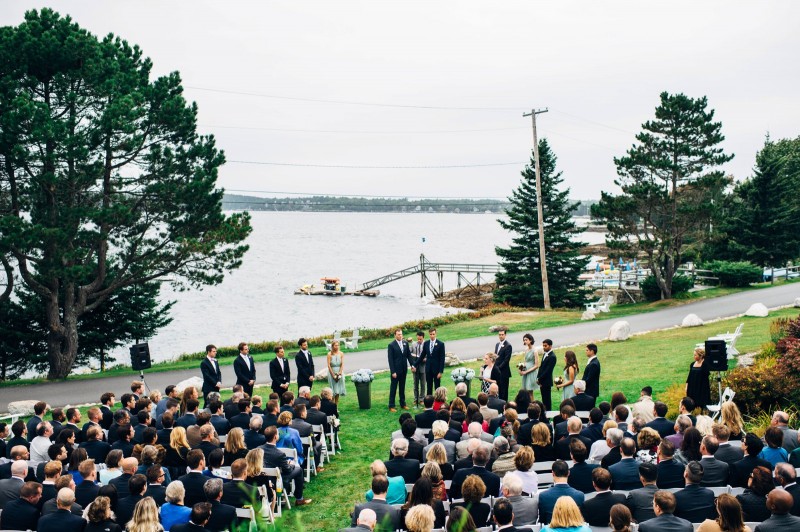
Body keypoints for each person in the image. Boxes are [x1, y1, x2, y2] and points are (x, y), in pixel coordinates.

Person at [261, 426, 312, 506]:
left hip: (262, 479)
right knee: (298, 470)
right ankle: (299, 499)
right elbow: (287, 470)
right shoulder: (279, 454)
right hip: (276, 480)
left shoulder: (259, 449)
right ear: (275, 437)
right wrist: (291, 464)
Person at [538, 460, 585, 524]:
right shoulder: (579, 495)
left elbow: (542, 520)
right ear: (568, 473)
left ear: (553, 473)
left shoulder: (543, 496)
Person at [387, 329, 412, 412]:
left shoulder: (405, 343)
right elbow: (390, 360)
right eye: (398, 334)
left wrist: (413, 365)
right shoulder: (391, 345)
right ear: (395, 335)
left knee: (402, 387)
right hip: (395, 371)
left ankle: (403, 404)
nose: (400, 336)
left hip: (404, 369)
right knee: (393, 388)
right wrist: (393, 371)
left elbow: (408, 355)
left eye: (401, 334)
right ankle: (391, 405)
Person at [685, 347, 711, 411]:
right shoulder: (692, 364)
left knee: (701, 405)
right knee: (692, 404)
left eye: (695, 355)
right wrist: (686, 387)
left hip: (701, 389)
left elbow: (706, 375)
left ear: (701, 356)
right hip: (692, 388)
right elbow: (689, 377)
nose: (694, 356)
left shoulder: (705, 364)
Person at [424, 328, 446, 393]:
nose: (432, 336)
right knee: (429, 387)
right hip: (428, 369)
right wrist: (414, 364)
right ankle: (429, 401)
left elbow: (442, 358)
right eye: (431, 334)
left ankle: (438, 401)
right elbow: (423, 355)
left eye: (433, 334)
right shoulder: (426, 343)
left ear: (435, 334)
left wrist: (440, 371)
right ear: (429, 334)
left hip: (437, 370)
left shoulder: (440, 344)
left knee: (437, 387)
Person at [538, 339, 557, 412]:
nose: (544, 347)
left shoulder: (552, 356)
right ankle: (545, 411)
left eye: (545, 346)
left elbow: (548, 371)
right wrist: (538, 377)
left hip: (546, 381)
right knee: (543, 398)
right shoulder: (545, 354)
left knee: (547, 399)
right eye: (543, 346)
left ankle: (548, 412)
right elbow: (541, 367)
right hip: (542, 380)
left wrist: (540, 378)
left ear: (550, 346)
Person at [200, 345, 222, 409]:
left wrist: (219, 381)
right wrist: (215, 383)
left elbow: (218, 372)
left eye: (216, 351)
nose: (215, 352)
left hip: (216, 386)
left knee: (216, 403)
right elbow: (207, 375)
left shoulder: (215, 361)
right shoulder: (204, 363)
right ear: (209, 352)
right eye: (214, 351)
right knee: (207, 404)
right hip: (208, 387)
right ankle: (203, 416)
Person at [518, 333, 540, 397]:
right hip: (526, 371)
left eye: (526, 340)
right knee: (525, 391)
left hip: (531, 372)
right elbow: (525, 362)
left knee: (530, 391)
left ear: (530, 340)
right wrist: (521, 369)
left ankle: (532, 405)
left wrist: (526, 372)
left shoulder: (535, 350)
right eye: (524, 340)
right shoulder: (526, 349)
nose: (525, 341)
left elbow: (536, 365)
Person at [494, 330, 513, 401]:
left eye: (502, 334)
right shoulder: (497, 344)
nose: (500, 336)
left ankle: (504, 405)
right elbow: (495, 356)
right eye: (499, 335)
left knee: (504, 391)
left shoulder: (508, 346)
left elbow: (506, 360)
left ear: (505, 335)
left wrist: (498, 368)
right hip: (497, 371)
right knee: (497, 389)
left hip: (504, 372)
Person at [409, 331, 427, 407]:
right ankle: (416, 399)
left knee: (423, 384)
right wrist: (413, 366)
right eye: (418, 339)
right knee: (415, 384)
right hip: (415, 368)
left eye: (420, 339)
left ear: (423, 337)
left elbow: (429, 355)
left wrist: (425, 359)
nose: (419, 341)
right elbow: (409, 355)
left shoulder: (426, 344)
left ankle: (422, 399)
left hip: (423, 367)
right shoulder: (413, 344)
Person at [327, 340, 346, 405]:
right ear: (332, 346)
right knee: (333, 390)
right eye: (335, 345)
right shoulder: (329, 354)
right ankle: (332, 406)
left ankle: (336, 406)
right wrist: (333, 375)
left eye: (338, 345)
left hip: (339, 372)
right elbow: (329, 365)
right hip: (332, 372)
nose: (337, 346)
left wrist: (340, 373)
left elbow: (342, 364)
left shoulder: (341, 353)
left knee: (337, 390)